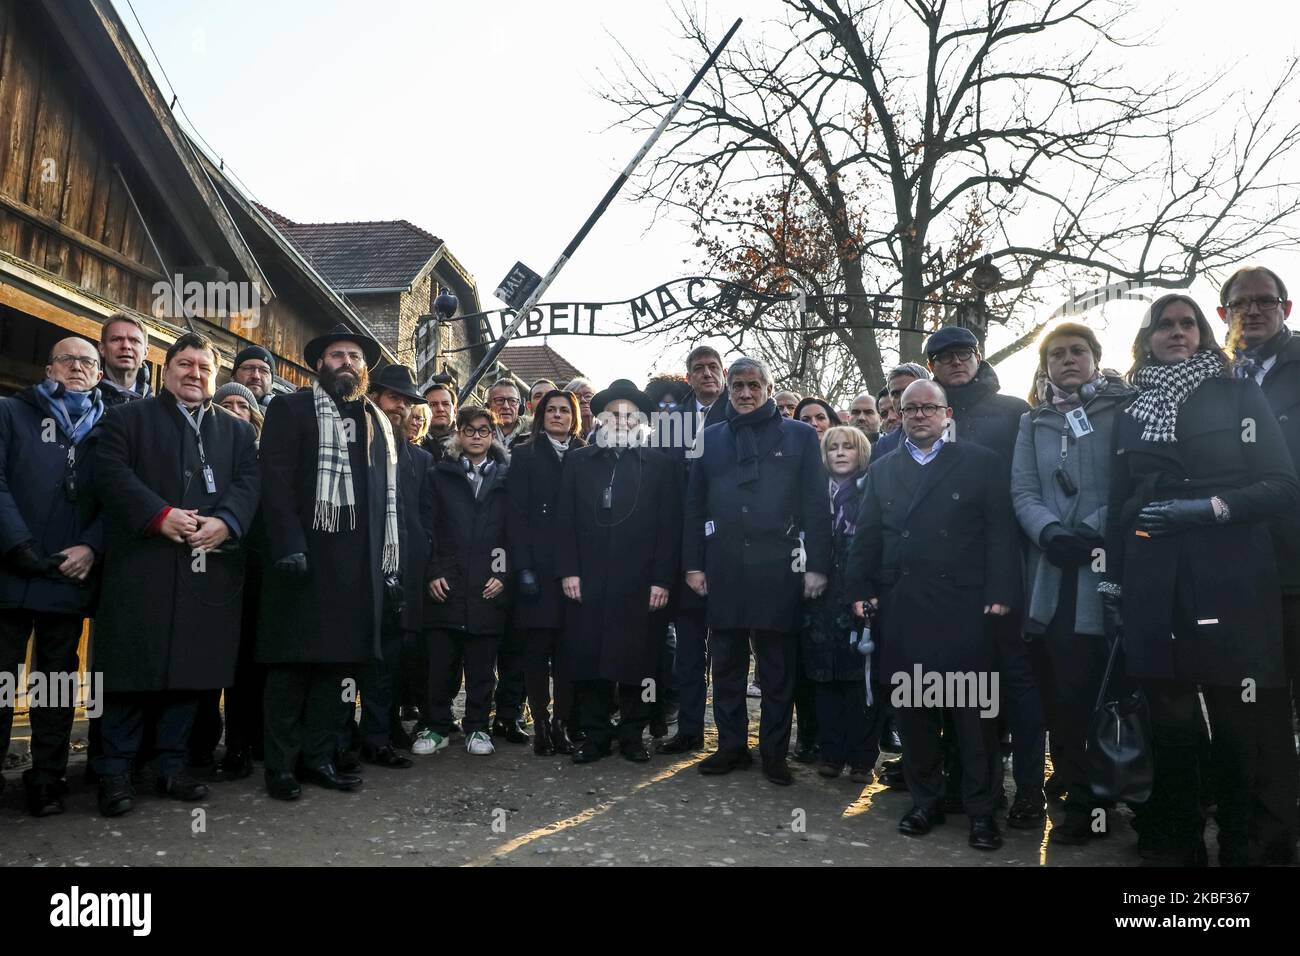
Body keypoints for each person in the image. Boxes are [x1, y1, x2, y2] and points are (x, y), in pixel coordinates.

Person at [1105, 293, 1299, 866]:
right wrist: (1112, 584)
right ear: (1147, 339)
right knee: (1169, 716)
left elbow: (1282, 485)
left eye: (1188, 323)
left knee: (1239, 717)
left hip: (1229, 571)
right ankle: (1175, 839)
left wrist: (1208, 508)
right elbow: (1119, 504)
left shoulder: (1238, 391)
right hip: (1152, 574)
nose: (1178, 332)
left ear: (1205, 335)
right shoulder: (1132, 406)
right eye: (1164, 325)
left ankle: (1243, 844)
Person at [91, 332, 260, 817]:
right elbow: (111, 473)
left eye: (204, 368)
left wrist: (226, 522)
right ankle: (116, 772)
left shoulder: (236, 431)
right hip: (141, 565)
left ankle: (172, 766)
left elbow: (251, 482)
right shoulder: (127, 419)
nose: (195, 374)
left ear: (215, 375)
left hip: (206, 570)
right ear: (166, 370)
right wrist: (158, 514)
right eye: (185, 365)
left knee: (190, 672)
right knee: (130, 672)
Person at [847, 379, 1018, 852]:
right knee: (916, 713)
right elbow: (867, 536)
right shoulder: (883, 470)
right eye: (910, 408)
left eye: (930, 407)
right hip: (904, 608)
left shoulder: (981, 464)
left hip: (967, 609)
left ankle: (981, 813)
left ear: (947, 415)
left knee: (973, 718)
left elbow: (1001, 534)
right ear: (898, 416)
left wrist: (1002, 590)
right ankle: (926, 802)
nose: (920, 415)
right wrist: (858, 588)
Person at [257, 324, 402, 800]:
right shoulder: (292, 408)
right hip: (303, 562)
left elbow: (385, 500)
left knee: (338, 673)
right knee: (291, 671)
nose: (346, 363)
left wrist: (386, 565)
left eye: (355, 357)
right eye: (337, 354)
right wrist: (289, 545)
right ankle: (280, 765)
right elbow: (274, 484)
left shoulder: (376, 422)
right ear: (320, 364)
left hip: (356, 570)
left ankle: (319, 757)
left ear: (364, 369)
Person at [1011, 322, 1136, 844]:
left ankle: (1099, 802)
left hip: (1108, 572)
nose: (1067, 360)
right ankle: (1071, 792)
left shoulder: (1123, 409)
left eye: (1077, 351)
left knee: (1102, 689)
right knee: (1061, 690)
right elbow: (1022, 489)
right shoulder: (1033, 420)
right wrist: (1050, 531)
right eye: (1056, 354)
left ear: (1095, 357)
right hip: (1051, 573)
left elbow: (1135, 481)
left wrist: (1091, 528)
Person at [683, 356, 831, 785]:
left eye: (754, 385)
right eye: (738, 387)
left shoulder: (800, 436)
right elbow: (695, 506)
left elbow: (815, 505)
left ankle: (774, 754)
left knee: (776, 668)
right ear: (728, 391)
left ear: (768, 388)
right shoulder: (710, 439)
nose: (745, 394)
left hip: (780, 569)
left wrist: (817, 566)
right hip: (724, 566)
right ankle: (731, 747)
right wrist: (693, 565)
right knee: (726, 664)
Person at [924, 327, 1042, 827]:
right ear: (932, 367)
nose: (956, 363)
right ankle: (970, 786)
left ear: (978, 357)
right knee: (960, 686)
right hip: (948, 576)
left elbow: (1028, 484)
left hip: (1008, 562)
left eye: (963, 354)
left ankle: (1030, 792)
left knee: (1018, 684)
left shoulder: (1014, 411)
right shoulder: (929, 415)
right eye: (944, 358)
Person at [0, 337, 104, 816]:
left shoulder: (110, 429)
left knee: (57, 686)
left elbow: (120, 497)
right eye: (68, 359)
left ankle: (46, 778)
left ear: (99, 375)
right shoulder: (11, 413)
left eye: (88, 362)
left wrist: (91, 546)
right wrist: (18, 544)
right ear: (49, 367)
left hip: (68, 573)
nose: (77, 367)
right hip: (9, 570)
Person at [556, 381, 681, 763]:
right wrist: (569, 571)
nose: (623, 421)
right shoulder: (579, 461)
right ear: (601, 419)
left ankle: (632, 733)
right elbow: (565, 521)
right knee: (589, 658)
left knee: (639, 662)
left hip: (640, 582)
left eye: (630, 415)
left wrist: (662, 579)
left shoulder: (659, 463)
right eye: (615, 414)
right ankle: (595, 735)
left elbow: (669, 527)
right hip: (589, 579)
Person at [1216, 266, 1300, 746]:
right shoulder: (1212, 376)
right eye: (1240, 303)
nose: (1252, 311)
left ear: (1285, 309)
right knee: (1255, 712)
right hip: (1238, 568)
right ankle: (1263, 819)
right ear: (1223, 314)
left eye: (1264, 301)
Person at [187, 379, 266, 773]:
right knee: (203, 662)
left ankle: (240, 745)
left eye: (243, 406)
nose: (236, 410)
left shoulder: (267, 456)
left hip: (252, 574)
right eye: (227, 403)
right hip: (206, 569)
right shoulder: (204, 451)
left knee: (245, 668)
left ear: (255, 415)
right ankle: (200, 745)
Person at [423, 406, 512, 756]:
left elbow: (515, 533)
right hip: (447, 583)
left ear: (493, 435)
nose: (476, 436)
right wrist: (432, 572)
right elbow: (428, 528)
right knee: (441, 665)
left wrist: (503, 574)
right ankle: (437, 727)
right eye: (470, 430)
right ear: (458, 433)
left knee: (480, 666)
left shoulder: (506, 478)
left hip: (488, 586)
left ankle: (478, 727)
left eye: (484, 430)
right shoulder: (439, 475)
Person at [356, 364, 431, 770]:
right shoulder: (359, 444)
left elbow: (423, 513)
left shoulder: (416, 456)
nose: (400, 406)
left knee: (392, 659)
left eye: (406, 400)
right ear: (374, 398)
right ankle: (345, 736)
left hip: (405, 571)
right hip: (362, 569)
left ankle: (380, 736)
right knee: (357, 661)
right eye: (393, 398)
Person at [659, 345, 731, 755]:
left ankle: (728, 736)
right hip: (684, 546)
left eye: (712, 367)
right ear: (688, 376)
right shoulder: (673, 420)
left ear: (722, 373)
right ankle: (688, 731)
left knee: (726, 653)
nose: (706, 374)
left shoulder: (738, 415)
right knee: (688, 649)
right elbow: (668, 480)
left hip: (725, 549)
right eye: (698, 369)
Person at [508, 389, 584, 756]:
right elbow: (516, 516)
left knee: (569, 652)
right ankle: (540, 722)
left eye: (564, 410)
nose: (557, 415)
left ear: (574, 416)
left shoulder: (587, 454)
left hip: (576, 570)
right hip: (537, 567)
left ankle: (563, 724)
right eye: (551, 410)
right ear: (540, 415)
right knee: (536, 651)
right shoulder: (524, 454)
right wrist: (522, 567)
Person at [801, 425, 878, 784]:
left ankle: (862, 758)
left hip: (858, 597)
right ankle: (830, 751)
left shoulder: (871, 492)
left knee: (859, 680)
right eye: (833, 448)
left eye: (849, 446)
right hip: (820, 601)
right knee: (824, 676)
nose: (841, 453)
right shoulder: (814, 494)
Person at [485, 377, 531, 742]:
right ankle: (477, 716)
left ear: (522, 405)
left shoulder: (533, 441)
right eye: (498, 400)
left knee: (518, 644)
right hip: (483, 546)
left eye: (511, 400)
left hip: (521, 546)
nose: (505, 406)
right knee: (485, 643)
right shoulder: (476, 437)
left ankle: (509, 714)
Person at [873, 363, 931, 458]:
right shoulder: (882, 446)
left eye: (909, 390)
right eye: (895, 394)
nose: (902, 399)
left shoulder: (950, 433)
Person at [96, 313, 151, 407]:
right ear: (102, 349)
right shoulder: (87, 402)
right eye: (116, 339)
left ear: (145, 352)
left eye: (134, 341)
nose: (126, 346)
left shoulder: (156, 408)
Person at [230, 346, 276, 411]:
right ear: (233, 377)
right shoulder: (215, 413)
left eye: (264, 370)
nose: (256, 376)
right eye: (248, 368)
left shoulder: (286, 419)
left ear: (272, 384)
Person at [422, 378, 457, 461]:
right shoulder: (415, 445)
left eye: (445, 404)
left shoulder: (470, 444)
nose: (440, 409)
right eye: (433, 404)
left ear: (455, 410)